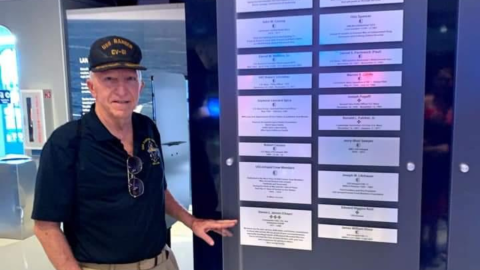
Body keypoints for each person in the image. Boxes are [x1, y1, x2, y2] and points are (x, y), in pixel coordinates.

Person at [31, 36, 237, 270]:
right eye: (109, 79)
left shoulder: (146, 128)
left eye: (129, 79)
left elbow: (157, 189)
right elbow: (45, 226)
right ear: (92, 87)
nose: (121, 90)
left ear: (140, 86)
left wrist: (191, 221)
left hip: (162, 262)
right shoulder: (66, 143)